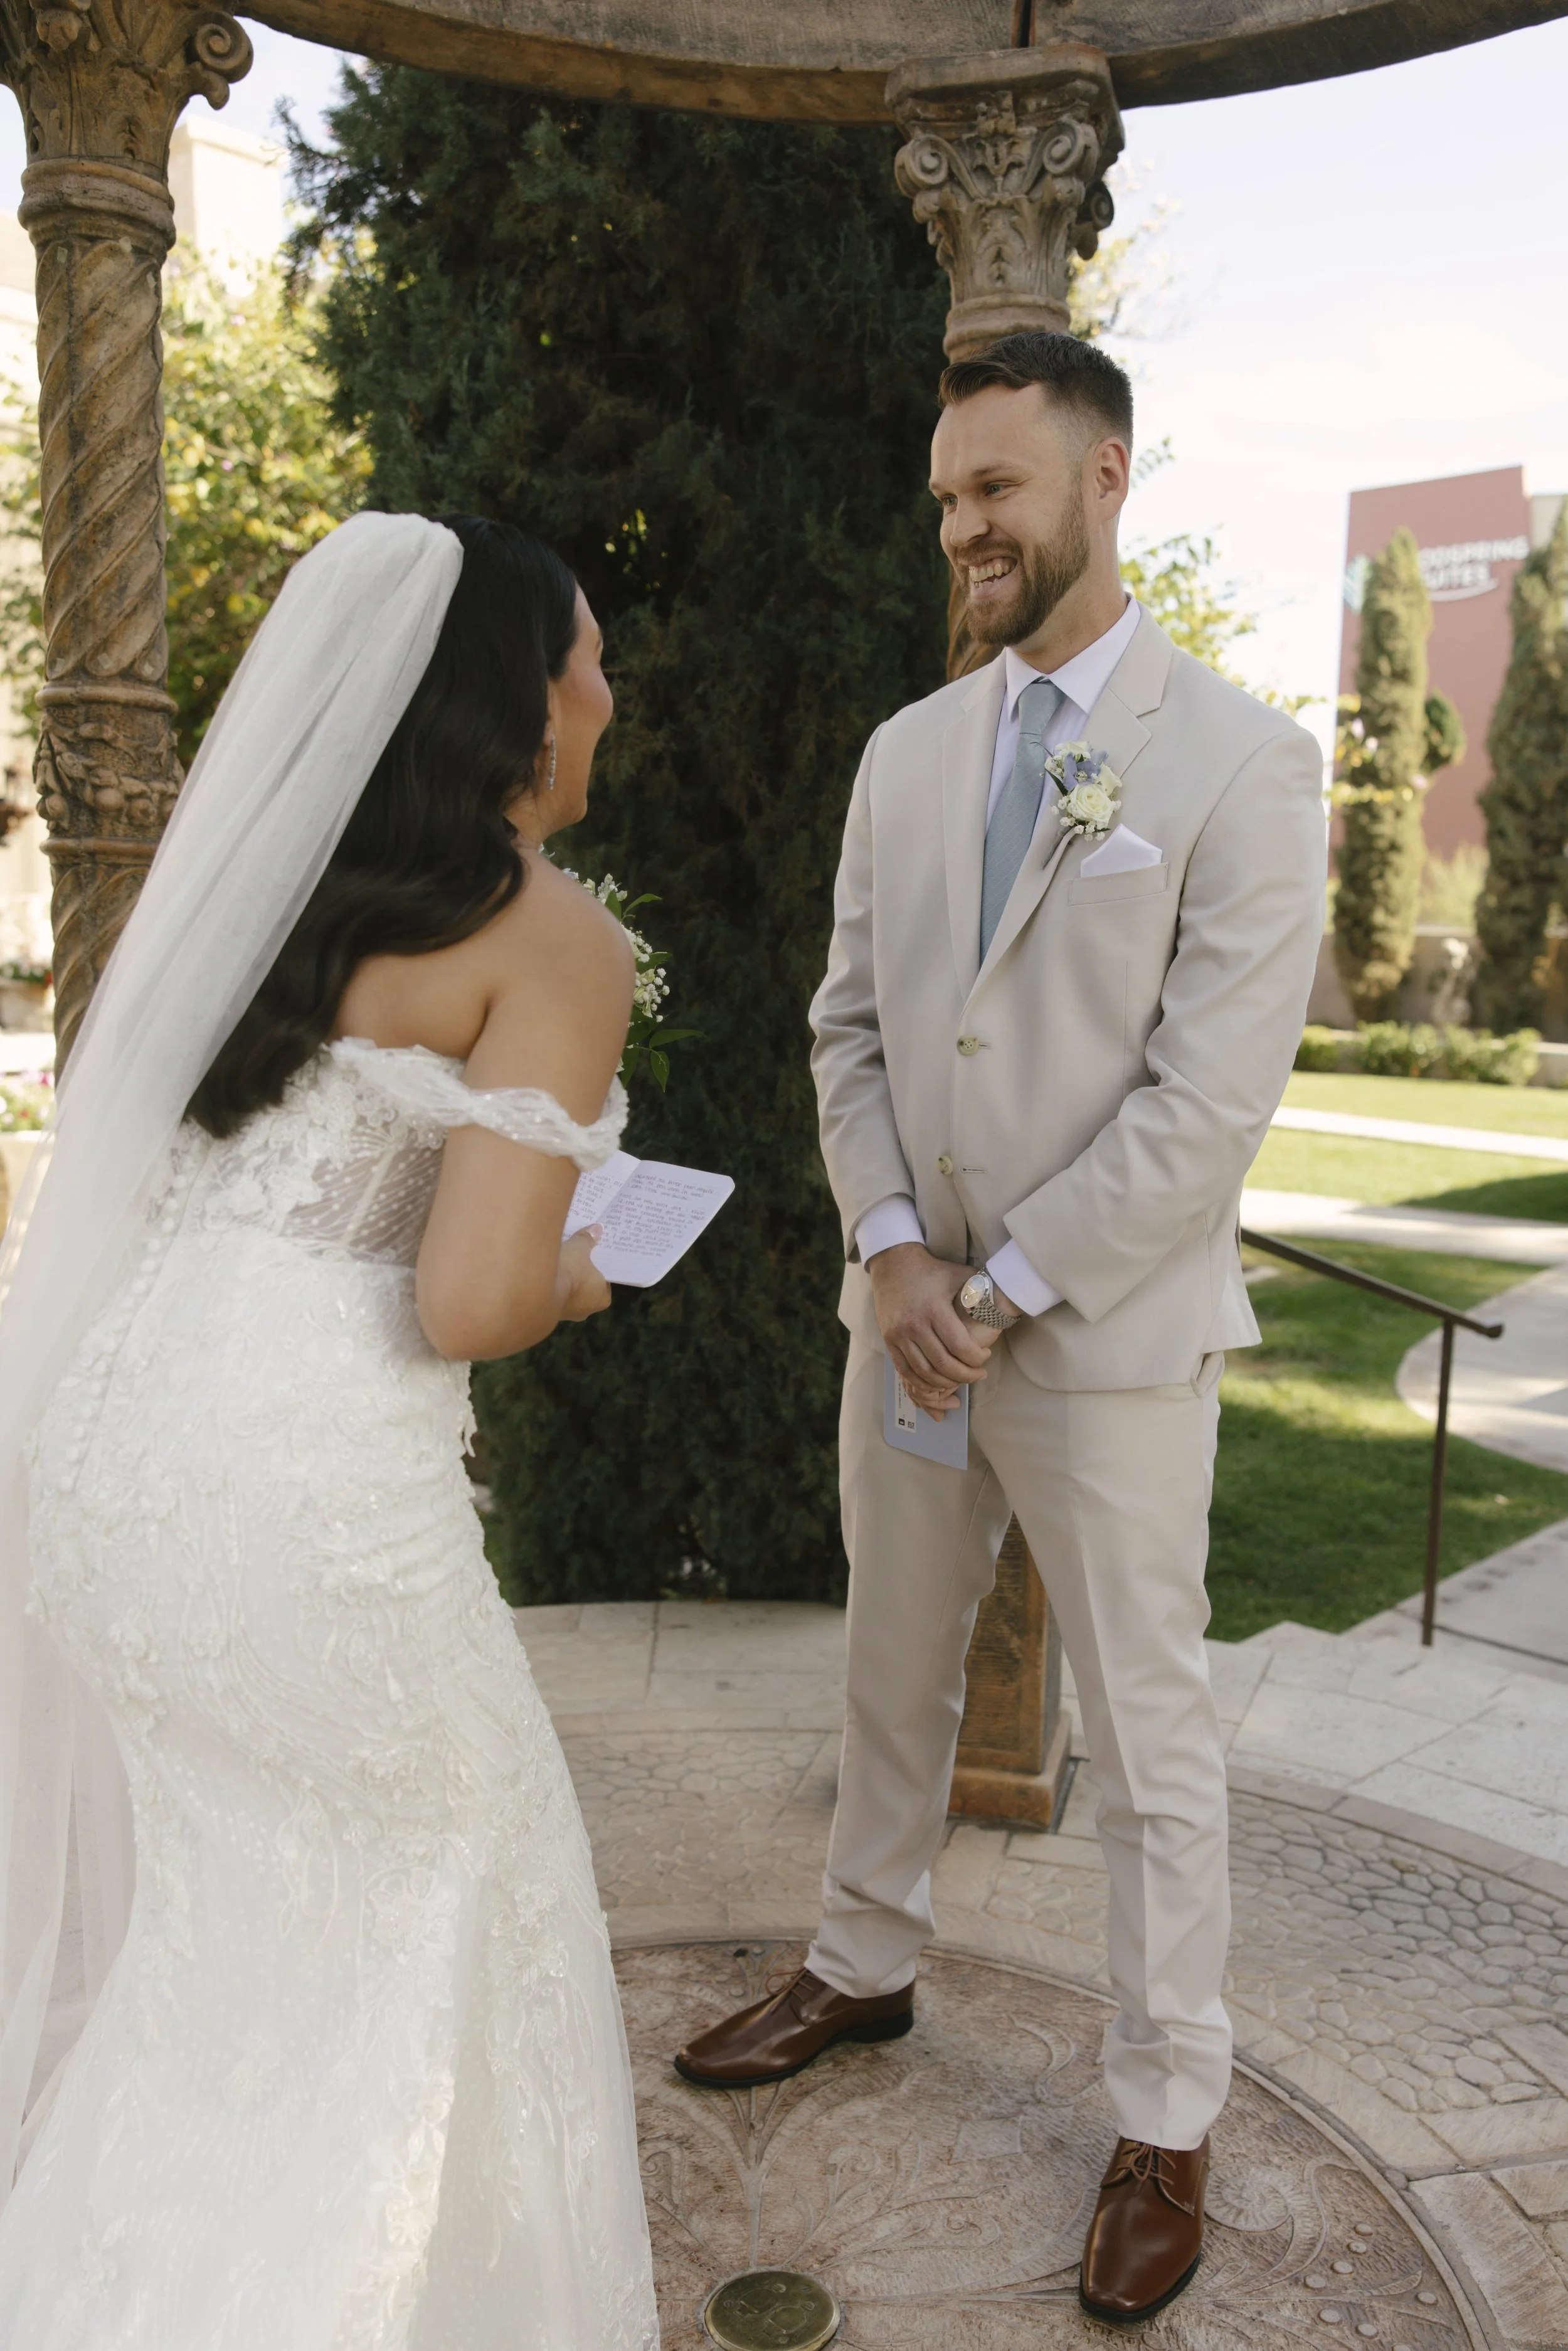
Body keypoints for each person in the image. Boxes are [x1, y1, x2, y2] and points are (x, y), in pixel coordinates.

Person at [674, 333, 1326, 2327]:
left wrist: (998, 1283)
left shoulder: (1239, 761)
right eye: (948, 495)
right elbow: (850, 1026)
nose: (963, 525)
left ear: (1104, 477)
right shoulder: (904, 752)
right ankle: (859, 1963)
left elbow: (1206, 1104)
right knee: (887, 1668)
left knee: (1146, 1737)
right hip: (903, 1322)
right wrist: (889, 1251)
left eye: (998, 488)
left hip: (1099, 1340)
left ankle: (1165, 2109)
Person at [0, 512, 660, 2348]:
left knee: (227, 1945)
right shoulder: (553, 938)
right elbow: (469, 1300)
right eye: (594, 659)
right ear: (522, 701)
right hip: (301, 1501)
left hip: (112, 1469)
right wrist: (576, 1276)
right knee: (457, 1894)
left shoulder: (283, 893)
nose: (612, 694)